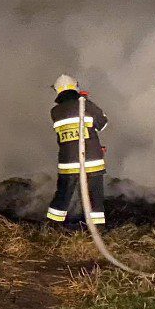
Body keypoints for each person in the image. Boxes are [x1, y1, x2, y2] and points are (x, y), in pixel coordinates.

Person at [46, 74, 108, 227]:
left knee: (62, 197)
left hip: (68, 163)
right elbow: (103, 123)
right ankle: (97, 230)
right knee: (94, 199)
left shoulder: (55, 112)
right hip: (92, 162)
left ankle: (51, 227)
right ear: (76, 87)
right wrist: (86, 101)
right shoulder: (86, 105)